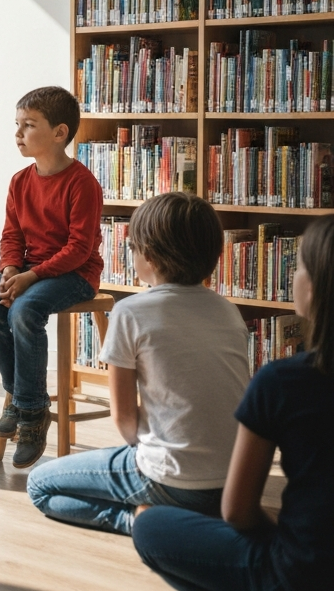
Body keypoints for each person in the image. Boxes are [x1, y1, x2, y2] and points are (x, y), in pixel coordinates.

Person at [132, 215, 334, 591]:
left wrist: (280, 530)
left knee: (148, 527)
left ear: (314, 289)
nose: (292, 276)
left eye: (296, 267)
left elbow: (239, 512)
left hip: (304, 578)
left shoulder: (283, 381)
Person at [27, 193, 249, 534]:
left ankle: (141, 520)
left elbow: (125, 420)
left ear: (149, 256)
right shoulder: (228, 311)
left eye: (132, 248)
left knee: (39, 485)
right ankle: (186, 516)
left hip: (169, 476)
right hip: (232, 482)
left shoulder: (132, 312)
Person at [0, 86, 104, 467]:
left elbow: (79, 248)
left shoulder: (82, 183)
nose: (18, 133)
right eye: (17, 124)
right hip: (31, 270)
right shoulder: (19, 182)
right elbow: (11, 235)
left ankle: (30, 414)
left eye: (29, 125)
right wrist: (11, 270)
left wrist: (31, 277)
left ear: (59, 133)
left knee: (24, 312)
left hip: (75, 274)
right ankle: (21, 394)